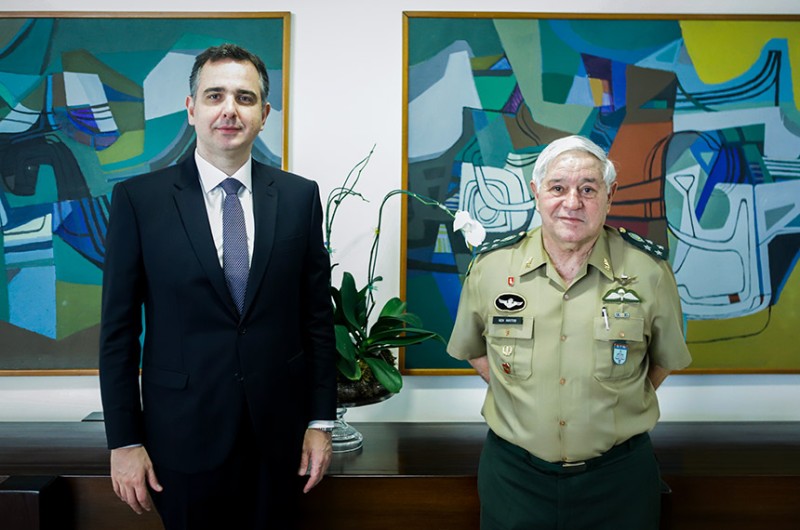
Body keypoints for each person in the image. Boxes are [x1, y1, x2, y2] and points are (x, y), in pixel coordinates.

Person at [98, 43, 337, 530]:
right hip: (181, 440)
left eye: (245, 98)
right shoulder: (138, 201)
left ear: (264, 114)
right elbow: (118, 333)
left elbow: (316, 320)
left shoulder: (299, 197)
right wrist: (124, 441)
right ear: (191, 109)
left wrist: (319, 422)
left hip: (280, 441)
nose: (230, 109)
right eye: (215, 96)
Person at [447, 135, 692, 529]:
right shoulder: (490, 268)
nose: (572, 202)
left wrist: (609, 401)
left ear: (610, 196)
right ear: (536, 192)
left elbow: (662, 361)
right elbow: (475, 350)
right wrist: (525, 400)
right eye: (558, 188)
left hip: (619, 480)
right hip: (515, 478)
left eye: (588, 189)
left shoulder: (650, 272)